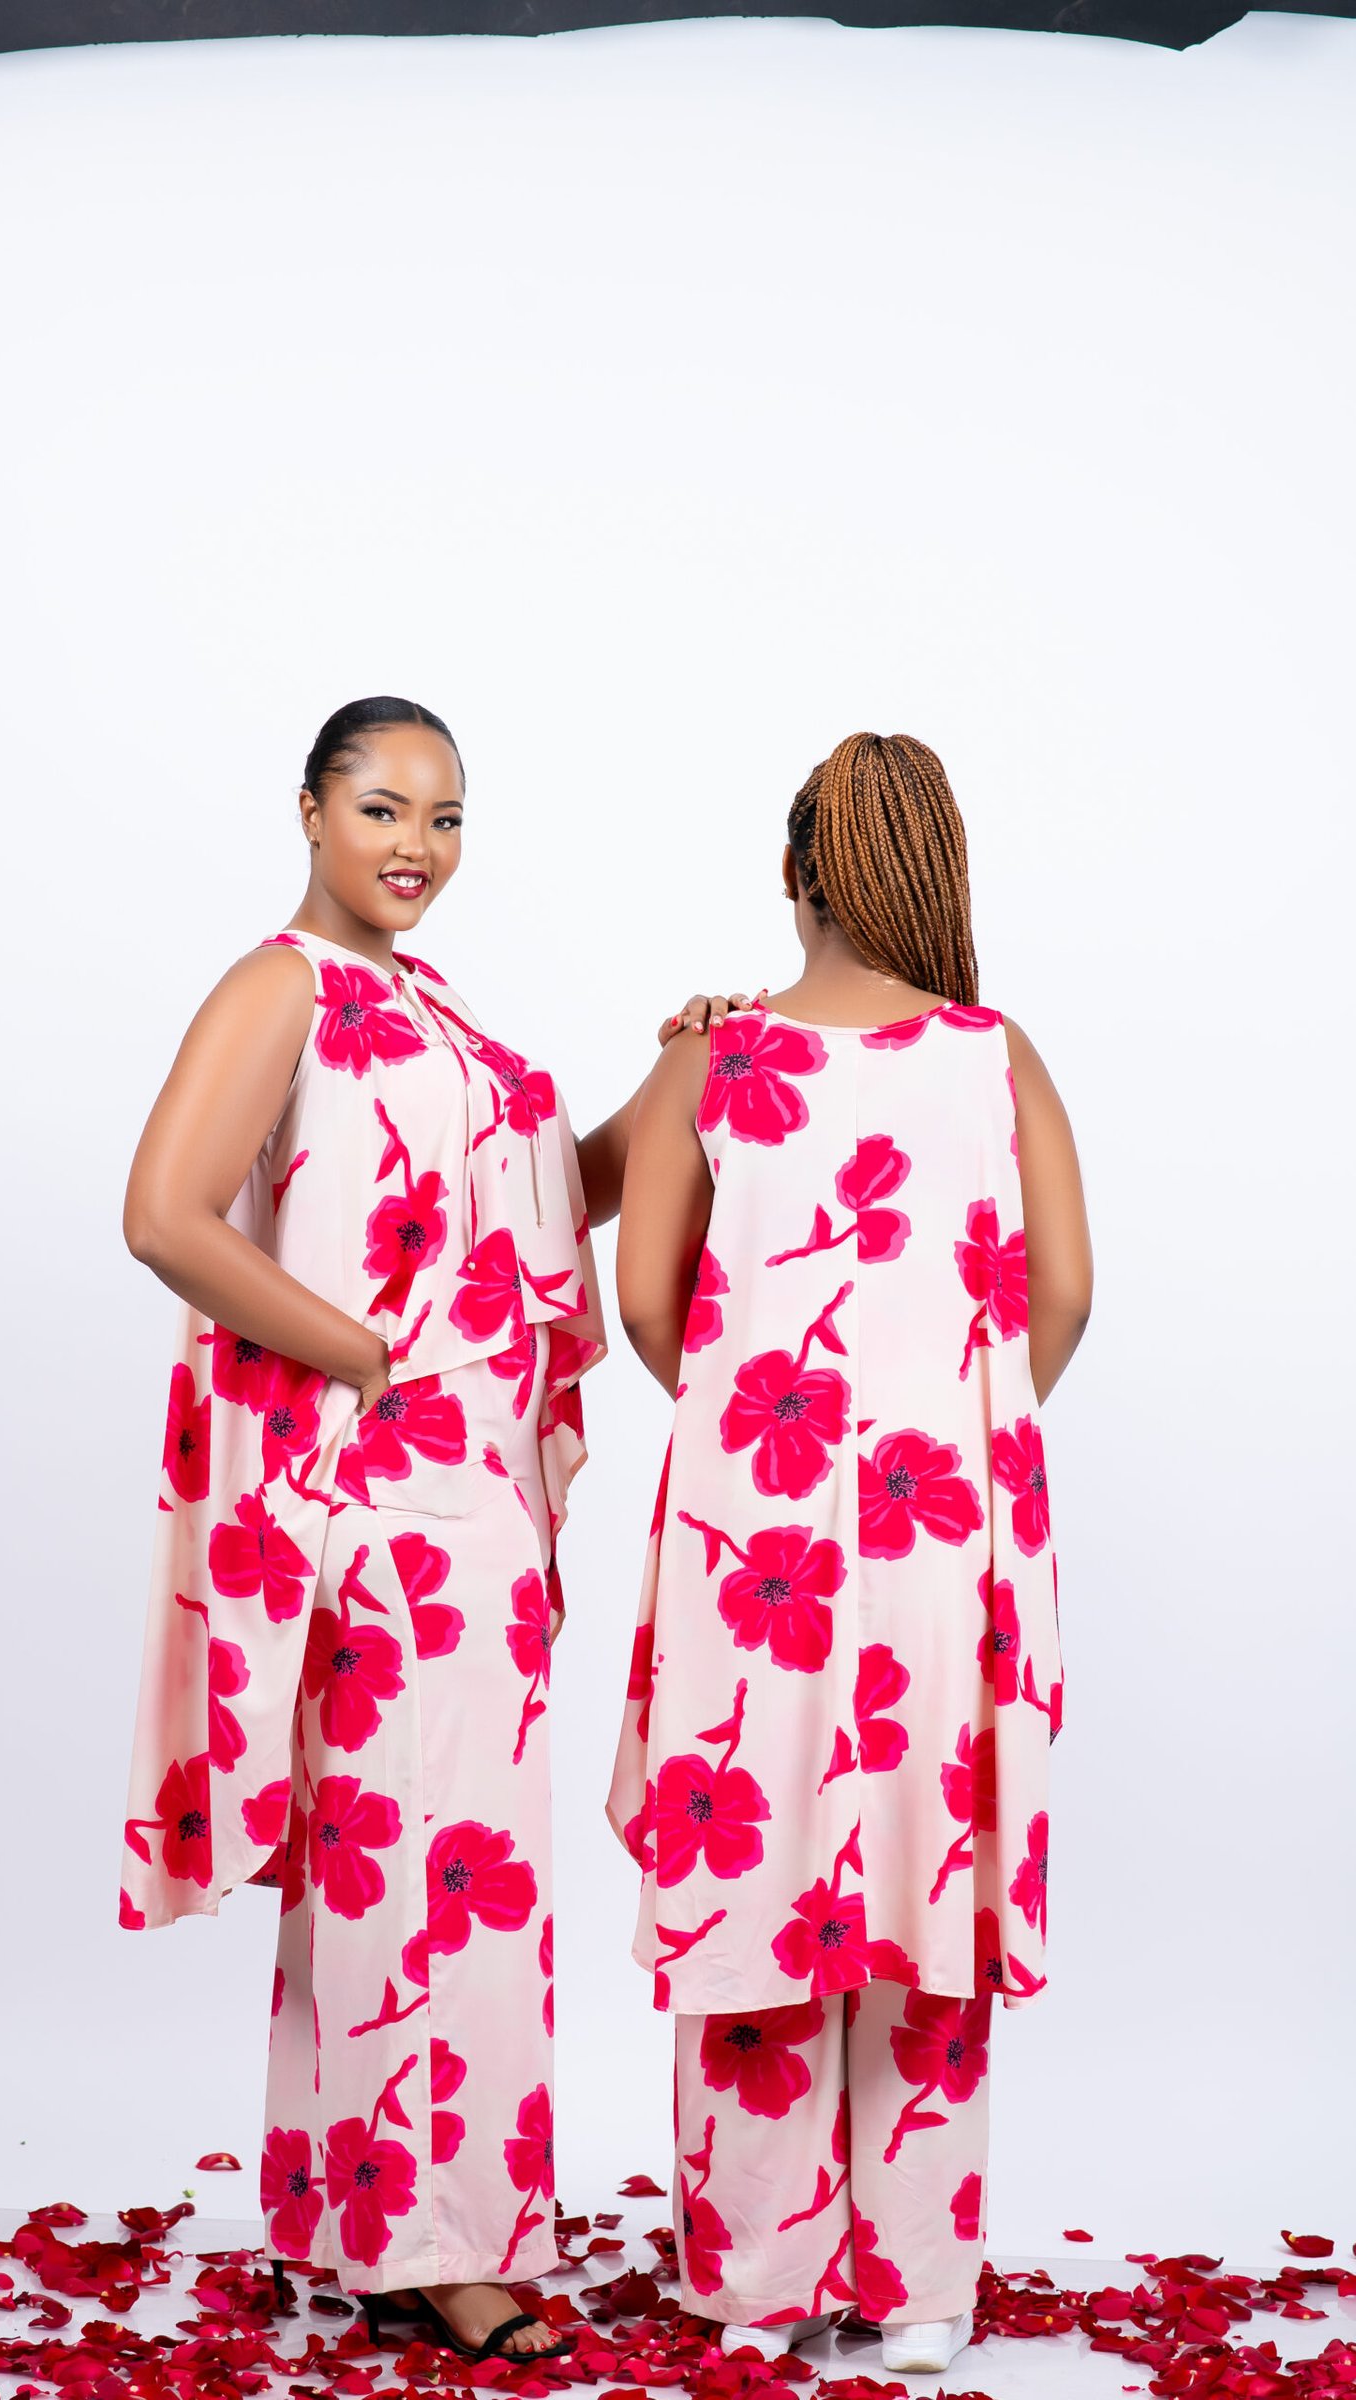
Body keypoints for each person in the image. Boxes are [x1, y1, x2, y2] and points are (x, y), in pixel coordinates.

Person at [118, 695, 745, 2364]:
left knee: (421, 1863)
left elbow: (562, 1201)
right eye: (384, 808)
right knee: (427, 1871)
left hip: (480, 1509)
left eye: (446, 817)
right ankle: (438, 2246)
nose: (416, 845)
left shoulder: (435, 1010)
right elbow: (164, 1214)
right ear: (310, 811)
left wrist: (680, 1070)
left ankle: (367, 2222)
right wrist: (372, 1357)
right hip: (390, 1499)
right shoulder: (283, 987)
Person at [607, 731, 1092, 2378]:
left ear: (792, 871)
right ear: (936, 871)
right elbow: (1064, 1292)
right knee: (923, 1875)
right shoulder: (996, 1057)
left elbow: (646, 1300)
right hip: (949, 1529)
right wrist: (958, 1421)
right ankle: (924, 2291)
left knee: (755, 1868)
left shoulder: (714, 1058)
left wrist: (758, 1421)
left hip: (755, 1526)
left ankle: (760, 2284)